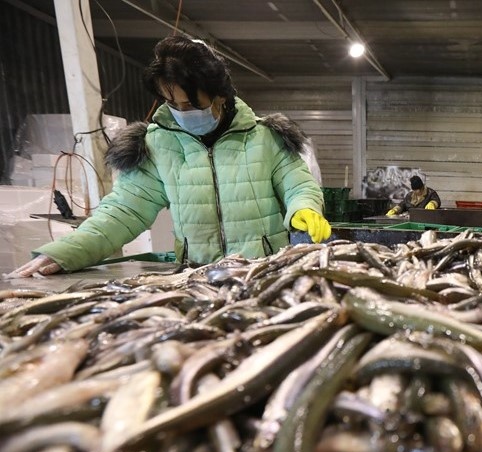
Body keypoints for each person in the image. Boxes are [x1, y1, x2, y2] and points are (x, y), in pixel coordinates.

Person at [9, 36, 330, 277]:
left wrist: (303, 208)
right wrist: (66, 253)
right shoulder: (157, 145)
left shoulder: (265, 137)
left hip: (265, 274)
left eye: (190, 104)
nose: (181, 112)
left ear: (220, 95)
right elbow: (123, 212)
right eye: (171, 103)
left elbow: (299, 186)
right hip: (197, 277)